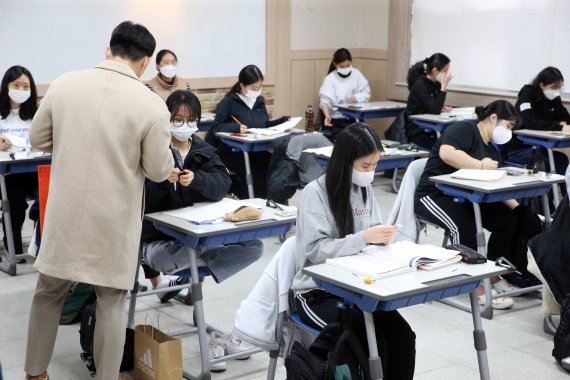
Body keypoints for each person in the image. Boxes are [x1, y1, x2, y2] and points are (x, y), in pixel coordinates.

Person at [25, 21, 174, 380]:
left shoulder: (64, 84)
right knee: (111, 302)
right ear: (145, 62)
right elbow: (157, 169)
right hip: (113, 221)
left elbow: (37, 137)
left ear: (109, 49)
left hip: (64, 214)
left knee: (48, 293)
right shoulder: (151, 105)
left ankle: (34, 374)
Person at [141, 89, 262, 372]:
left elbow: (222, 184)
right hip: (159, 247)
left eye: (191, 119)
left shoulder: (204, 150)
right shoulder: (153, 151)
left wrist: (196, 179)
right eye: (178, 119)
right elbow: (139, 199)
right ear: (166, 119)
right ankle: (191, 266)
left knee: (254, 246)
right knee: (183, 252)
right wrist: (160, 180)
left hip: (197, 238)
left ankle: (200, 261)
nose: (184, 125)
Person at [291, 123, 416, 379]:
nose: (370, 173)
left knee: (403, 336)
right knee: (371, 341)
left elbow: (371, 232)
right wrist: (363, 238)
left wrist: (382, 238)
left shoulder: (364, 189)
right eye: (365, 167)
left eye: (374, 166)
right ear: (345, 162)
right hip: (317, 292)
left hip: (358, 288)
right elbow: (315, 251)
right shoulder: (316, 193)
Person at [414, 100, 543, 310]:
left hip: (466, 197)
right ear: (493, 118)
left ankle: (491, 275)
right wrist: (481, 166)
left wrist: (517, 208)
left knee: (509, 221)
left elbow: (494, 183)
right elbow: (447, 153)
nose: (508, 132)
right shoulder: (465, 129)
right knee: (464, 227)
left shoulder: (492, 151)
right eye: (508, 126)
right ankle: (474, 285)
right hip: (434, 195)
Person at [206, 64, 289, 199]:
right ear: (242, 85)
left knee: (274, 166)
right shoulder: (229, 102)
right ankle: (254, 202)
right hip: (231, 151)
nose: (257, 91)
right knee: (253, 172)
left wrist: (283, 121)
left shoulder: (259, 101)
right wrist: (235, 128)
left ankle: (272, 200)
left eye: (259, 87)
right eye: (253, 88)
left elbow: (263, 125)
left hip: (255, 150)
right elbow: (216, 127)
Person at [0, 65, 39, 261]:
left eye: (26, 87)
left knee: (46, 195)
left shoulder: (35, 114)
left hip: (33, 169)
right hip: (7, 173)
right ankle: (13, 249)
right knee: (15, 202)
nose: (21, 91)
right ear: (6, 86)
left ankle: (40, 246)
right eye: (17, 85)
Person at [503, 66, 570, 175]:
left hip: (539, 147)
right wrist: (560, 127)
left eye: (560, 87)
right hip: (520, 147)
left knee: (561, 160)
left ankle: (564, 192)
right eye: (554, 87)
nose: (557, 91)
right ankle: (548, 191)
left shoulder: (554, 97)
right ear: (542, 85)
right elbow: (528, 121)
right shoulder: (527, 95)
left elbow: (564, 116)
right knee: (545, 161)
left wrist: (564, 122)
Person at [319, 48, 371, 140]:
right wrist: (327, 115)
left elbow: (366, 92)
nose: (345, 69)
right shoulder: (330, 79)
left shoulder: (357, 74)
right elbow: (325, 101)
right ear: (335, 64)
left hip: (355, 118)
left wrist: (357, 97)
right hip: (337, 120)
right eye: (342, 67)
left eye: (348, 65)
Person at [406, 53, 453, 151]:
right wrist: (444, 87)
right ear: (435, 70)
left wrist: (442, 108)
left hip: (430, 130)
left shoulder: (435, 84)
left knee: (452, 145)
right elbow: (434, 110)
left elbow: (434, 106)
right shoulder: (420, 85)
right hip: (417, 131)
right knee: (442, 150)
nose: (448, 75)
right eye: (445, 71)